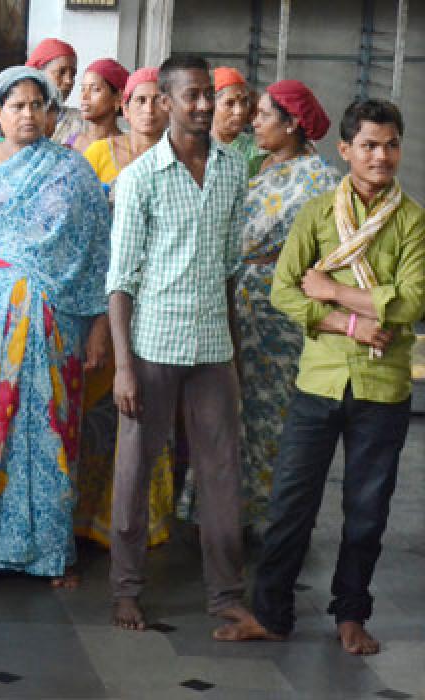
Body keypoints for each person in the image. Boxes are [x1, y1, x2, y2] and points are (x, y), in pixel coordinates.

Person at [218, 99, 424, 655]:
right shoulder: (318, 213)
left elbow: (410, 303)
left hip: (384, 389)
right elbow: (285, 289)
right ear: (345, 150)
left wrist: (332, 289)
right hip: (319, 380)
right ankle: (271, 613)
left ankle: (351, 616)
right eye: (369, 145)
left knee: (366, 510)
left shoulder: (411, 220)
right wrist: (353, 323)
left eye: (391, 144)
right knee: (290, 504)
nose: (381, 155)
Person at [0, 67, 111, 582]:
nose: (28, 114)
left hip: (57, 322)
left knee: (52, 428)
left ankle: (51, 553)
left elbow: (98, 254)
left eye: (38, 104)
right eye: (17, 105)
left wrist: (99, 326)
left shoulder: (73, 171)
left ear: (52, 111)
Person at [105, 55, 255, 632]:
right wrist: (123, 367)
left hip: (213, 348)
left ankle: (225, 595)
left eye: (206, 96)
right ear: (165, 100)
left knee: (221, 474)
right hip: (151, 348)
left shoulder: (232, 169)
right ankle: (125, 589)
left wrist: (235, 356)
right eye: (190, 95)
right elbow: (120, 281)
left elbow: (229, 271)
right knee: (135, 471)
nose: (202, 106)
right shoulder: (141, 178)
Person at [74, 66, 175, 549]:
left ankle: (133, 525)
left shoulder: (184, 161)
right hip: (104, 299)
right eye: (140, 101)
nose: (149, 110)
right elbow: (86, 239)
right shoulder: (99, 155)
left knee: (148, 410)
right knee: (97, 411)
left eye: (159, 100)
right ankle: (86, 517)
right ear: (123, 106)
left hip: (160, 304)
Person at [237, 80, 342, 533]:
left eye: (263, 114)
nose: (253, 120)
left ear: (293, 123)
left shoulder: (321, 180)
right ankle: (234, 512)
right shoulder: (258, 167)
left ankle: (276, 517)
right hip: (240, 303)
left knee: (276, 411)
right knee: (236, 409)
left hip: (281, 309)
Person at [27, 38, 80, 145]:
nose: (69, 81)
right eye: (61, 72)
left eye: (73, 74)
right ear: (38, 73)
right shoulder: (20, 118)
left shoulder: (81, 122)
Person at [70, 58, 128, 152]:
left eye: (95, 89)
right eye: (83, 89)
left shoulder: (129, 149)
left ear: (118, 97)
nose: (84, 96)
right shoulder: (70, 145)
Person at [212, 67, 261, 165]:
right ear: (211, 106)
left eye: (244, 102)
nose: (239, 111)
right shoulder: (198, 150)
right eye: (229, 103)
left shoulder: (257, 149)